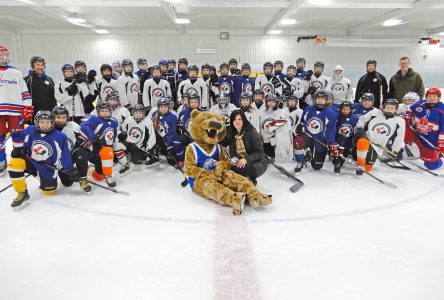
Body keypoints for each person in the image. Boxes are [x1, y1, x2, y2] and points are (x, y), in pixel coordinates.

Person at [7, 110, 77, 207]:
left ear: (52, 122)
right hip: (32, 162)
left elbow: (65, 154)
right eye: (42, 122)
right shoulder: (30, 130)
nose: (45, 125)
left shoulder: (60, 136)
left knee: (49, 192)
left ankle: (42, 176)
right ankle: (22, 193)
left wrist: (69, 169)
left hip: (47, 168)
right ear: (37, 122)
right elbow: (22, 141)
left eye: (47, 122)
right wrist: (19, 150)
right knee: (14, 163)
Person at [0, 45, 33, 176]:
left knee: (18, 137)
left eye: (5, 54)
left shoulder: (16, 72)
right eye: (0, 54)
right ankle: (1, 161)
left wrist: (27, 107)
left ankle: (19, 161)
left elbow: (25, 93)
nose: (3, 57)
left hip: (16, 110)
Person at [354, 99, 405, 174]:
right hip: (366, 138)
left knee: (368, 167)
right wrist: (359, 128)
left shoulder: (399, 121)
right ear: (383, 107)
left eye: (392, 108)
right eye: (387, 107)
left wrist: (395, 150)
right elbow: (362, 119)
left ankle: (367, 161)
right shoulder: (375, 113)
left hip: (378, 146)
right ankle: (360, 165)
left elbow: (400, 136)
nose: (389, 110)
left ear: (395, 109)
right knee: (362, 143)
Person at [295, 89, 338, 171]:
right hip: (307, 136)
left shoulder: (331, 113)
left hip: (320, 139)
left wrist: (331, 143)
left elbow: (330, 131)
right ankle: (300, 161)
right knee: (298, 140)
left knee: (317, 166)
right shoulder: (308, 109)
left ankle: (309, 153)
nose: (320, 100)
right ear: (315, 99)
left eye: (322, 99)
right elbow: (302, 123)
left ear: (326, 100)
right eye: (318, 98)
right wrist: (300, 127)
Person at [52, 106, 91, 192]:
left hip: (70, 156)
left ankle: (83, 179)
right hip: (55, 160)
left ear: (67, 117)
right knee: (67, 183)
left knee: (81, 153)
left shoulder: (73, 126)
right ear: (53, 117)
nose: (61, 120)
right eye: (58, 117)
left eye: (63, 117)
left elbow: (85, 141)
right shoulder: (48, 128)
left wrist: (81, 142)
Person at [80, 101, 118, 187]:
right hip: (95, 150)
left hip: (107, 151)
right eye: (102, 111)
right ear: (98, 112)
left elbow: (112, 136)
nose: (104, 113)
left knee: (99, 176)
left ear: (110, 111)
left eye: (106, 111)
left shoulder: (114, 122)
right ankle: (108, 176)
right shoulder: (95, 119)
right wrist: (94, 139)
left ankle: (89, 169)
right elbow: (84, 127)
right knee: (107, 151)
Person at [404, 88, 444, 170]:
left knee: (431, 165)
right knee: (405, 125)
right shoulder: (420, 104)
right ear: (426, 97)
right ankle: (412, 149)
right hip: (418, 136)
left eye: (434, 96)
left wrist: (441, 144)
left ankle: (441, 160)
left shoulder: (442, 110)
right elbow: (410, 108)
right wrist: (408, 117)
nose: (431, 98)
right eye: (429, 96)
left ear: (439, 98)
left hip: (431, 140)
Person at [228, 109, 267, 185]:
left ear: (244, 120)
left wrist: (246, 159)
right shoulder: (233, 134)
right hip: (242, 160)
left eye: (239, 119)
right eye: (234, 119)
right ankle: (245, 180)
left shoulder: (252, 133)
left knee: (234, 169)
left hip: (258, 163)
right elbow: (232, 151)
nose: (237, 121)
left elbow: (260, 153)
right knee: (229, 166)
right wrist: (234, 159)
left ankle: (250, 180)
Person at [119, 104, 157, 171]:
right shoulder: (128, 120)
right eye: (136, 112)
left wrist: (148, 148)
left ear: (143, 113)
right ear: (133, 112)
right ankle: (126, 161)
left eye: (140, 112)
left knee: (137, 165)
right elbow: (123, 127)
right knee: (118, 146)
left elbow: (152, 136)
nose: (138, 114)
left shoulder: (148, 121)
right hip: (129, 142)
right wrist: (124, 133)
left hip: (139, 146)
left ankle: (135, 154)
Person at [153, 97, 185, 166]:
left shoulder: (172, 117)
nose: (163, 109)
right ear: (158, 107)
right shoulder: (154, 115)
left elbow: (172, 132)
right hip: (159, 138)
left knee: (177, 144)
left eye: (165, 106)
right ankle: (155, 156)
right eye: (161, 107)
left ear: (168, 107)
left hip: (170, 138)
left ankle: (181, 159)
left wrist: (168, 144)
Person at [260, 94, 292, 162]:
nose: (271, 104)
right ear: (266, 102)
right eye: (269, 101)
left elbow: (283, 126)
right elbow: (260, 126)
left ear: (276, 103)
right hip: (264, 139)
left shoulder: (281, 112)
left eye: (273, 102)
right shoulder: (262, 112)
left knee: (274, 156)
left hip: (275, 139)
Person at [333, 101, 359, 174]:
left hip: (348, 142)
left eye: (347, 109)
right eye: (343, 109)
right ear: (340, 109)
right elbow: (332, 129)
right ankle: (335, 159)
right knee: (336, 160)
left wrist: (352, 142)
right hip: (337, 141)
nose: (345, 111)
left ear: (351, 110)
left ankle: (339, 159)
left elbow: (355, 131)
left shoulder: (355, 118)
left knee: (342, 160)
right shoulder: (337, 117)